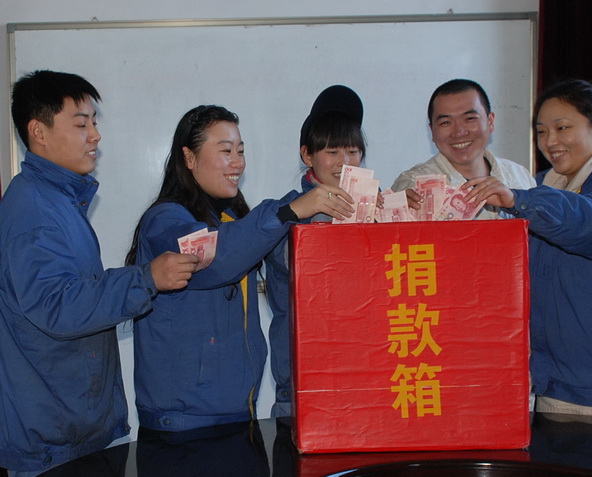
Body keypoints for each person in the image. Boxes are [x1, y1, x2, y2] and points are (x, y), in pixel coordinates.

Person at [0, 70, 199, 474]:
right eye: (81, 124)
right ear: (38, 131)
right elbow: (57, 307)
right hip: (52, 442)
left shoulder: (57, 201)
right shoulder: (34, 211)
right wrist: (145, 279)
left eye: (93, 122)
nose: (95, 135)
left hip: (70, 429)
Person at [125, 105, 353, 433]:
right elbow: (215, 258)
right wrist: (288, 212)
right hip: (184, 424)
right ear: (189, 158)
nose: (237, 163)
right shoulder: (165, 221)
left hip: (237, 413)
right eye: (226, 151)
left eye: (241, 151)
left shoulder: (231, 219)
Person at [463, 79, 592, 420]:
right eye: (541, 131)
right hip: (551, 389)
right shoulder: (537, 187)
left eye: (562, 128)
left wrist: (519, 201)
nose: (550, 142)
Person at [264, 85, 368, 417]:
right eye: (332, 151)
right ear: (307, 155)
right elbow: (305, 269)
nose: (344, 163)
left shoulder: (375, 208)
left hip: (367, 372)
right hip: (304, 381)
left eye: (352, 151)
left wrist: (401, 217)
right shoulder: (285, 212)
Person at [391, 78, 536, 218]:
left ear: (490, 122)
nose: (459, 132)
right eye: (446, 122)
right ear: (432, 131)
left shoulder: (519, 175)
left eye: (470, 119)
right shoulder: (412, 185)